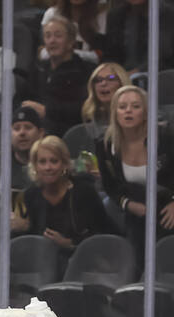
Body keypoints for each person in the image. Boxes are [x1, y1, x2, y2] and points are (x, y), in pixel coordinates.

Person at [17, 135, 119, 276]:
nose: (48, 167)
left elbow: (103, 233)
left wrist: (69, 243)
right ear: (35, 166)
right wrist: (23, 227)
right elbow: (32, 240)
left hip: (88, 262)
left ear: (64, 164)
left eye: (54, 161)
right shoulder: (31, 195)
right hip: (46, 265)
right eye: (42, 162)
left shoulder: (84, 192)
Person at [96, 85, 174, 266]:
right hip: (137, 209)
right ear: (115, 112)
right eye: (122, 107)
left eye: (135, 106)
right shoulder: (106, 145)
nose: (128, 111)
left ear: (146, 112)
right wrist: (128, 204)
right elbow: (109, 186)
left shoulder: (166, 137)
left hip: (168, 206)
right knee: (137, 259)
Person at [20, 15, 94, 138]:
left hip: (67, 131)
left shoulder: (84, 70)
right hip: (35, 129)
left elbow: (84, 108)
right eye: (48, 36)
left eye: (58, 36)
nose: (52, 41)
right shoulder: (38, 68)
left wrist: (47, 111)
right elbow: (22, 97)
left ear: (71, 42)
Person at [0, 106, 45, 227]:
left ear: (41, 133)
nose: (22, 133)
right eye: (16, 128)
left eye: (28, 127)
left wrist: (30, 225)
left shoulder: (50, 164)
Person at [81, 63, 129, 141]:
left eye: (111, 78)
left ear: (122, 83)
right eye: (98, 80)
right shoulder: (88, 121)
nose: (103, 83)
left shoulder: (132, 116)